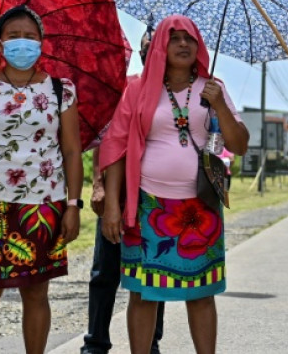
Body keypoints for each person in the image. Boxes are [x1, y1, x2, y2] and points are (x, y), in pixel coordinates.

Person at [98, 15, 248, 354]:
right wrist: (111, 205)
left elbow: (238, 144)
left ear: (199, 46)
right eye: (174, 38)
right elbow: (116, 147)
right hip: (147, 205)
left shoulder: (214, 88)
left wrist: (220, 105)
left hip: (200, 206)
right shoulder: (136, 88)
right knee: (143, 292)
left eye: (190, 38)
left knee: (201, 293)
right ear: (159, 46)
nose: (183, 44)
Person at [0, 5, 83, 354]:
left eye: (30, 37)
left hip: (44, 203)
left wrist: (73, 206)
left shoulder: (60, 90)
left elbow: (71, 152)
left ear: (41, 43)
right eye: (13, 36)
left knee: (36, 291)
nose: (22, 43)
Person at [84, 29, 164, 354]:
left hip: (158, 206)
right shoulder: (126, 87)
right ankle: (95, 345)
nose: (150, 51)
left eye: (156, 45)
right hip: (118, 198)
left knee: (155, 280)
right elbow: (105, 140)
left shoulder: (176, 95)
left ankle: (151, 344)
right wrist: (99, 185)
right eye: (146, 46)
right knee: (104, 274)